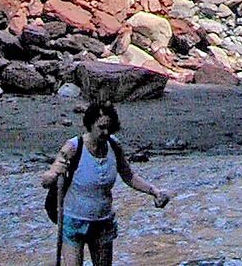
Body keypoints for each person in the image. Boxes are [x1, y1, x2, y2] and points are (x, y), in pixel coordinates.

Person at [42, 99, 170, 265]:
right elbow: (46, 179)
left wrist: (154, 191)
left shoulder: (114, 146)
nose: (105, 132)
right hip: (74, 222)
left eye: (109, 127)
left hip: (103, 223)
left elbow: (129, 176)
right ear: (90, 125)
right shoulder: (73, 147)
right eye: (101, 127)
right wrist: (52, 175)